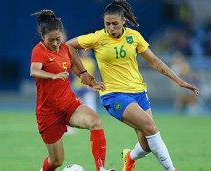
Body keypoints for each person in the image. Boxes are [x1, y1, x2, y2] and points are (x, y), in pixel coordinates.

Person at [66, 1, 199, 171]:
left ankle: (130, 157)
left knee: (146, 144)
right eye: (107, 24)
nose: (111, 28)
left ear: (123, 21)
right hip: (114, 95)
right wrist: (83, 72)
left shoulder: (134, 37)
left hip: (139, 92)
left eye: (114, 23)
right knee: (151, 128)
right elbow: (69, 45)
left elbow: (155, 62)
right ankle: (172, 169)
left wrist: (178, 80)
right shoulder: (98, 37)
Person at [30, 9, 114, 171]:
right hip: (48, 112)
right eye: (50, 40)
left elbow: (74, 68)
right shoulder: (39, 50)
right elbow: (34, 70)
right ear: (42, 37)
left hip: (68, 104)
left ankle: (101, 169)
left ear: (62, 35)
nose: (55, 43)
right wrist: (52, 76)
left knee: (95, 122)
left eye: (58, 39)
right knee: (56, 161)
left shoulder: (64, 49)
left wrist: (90, 82)